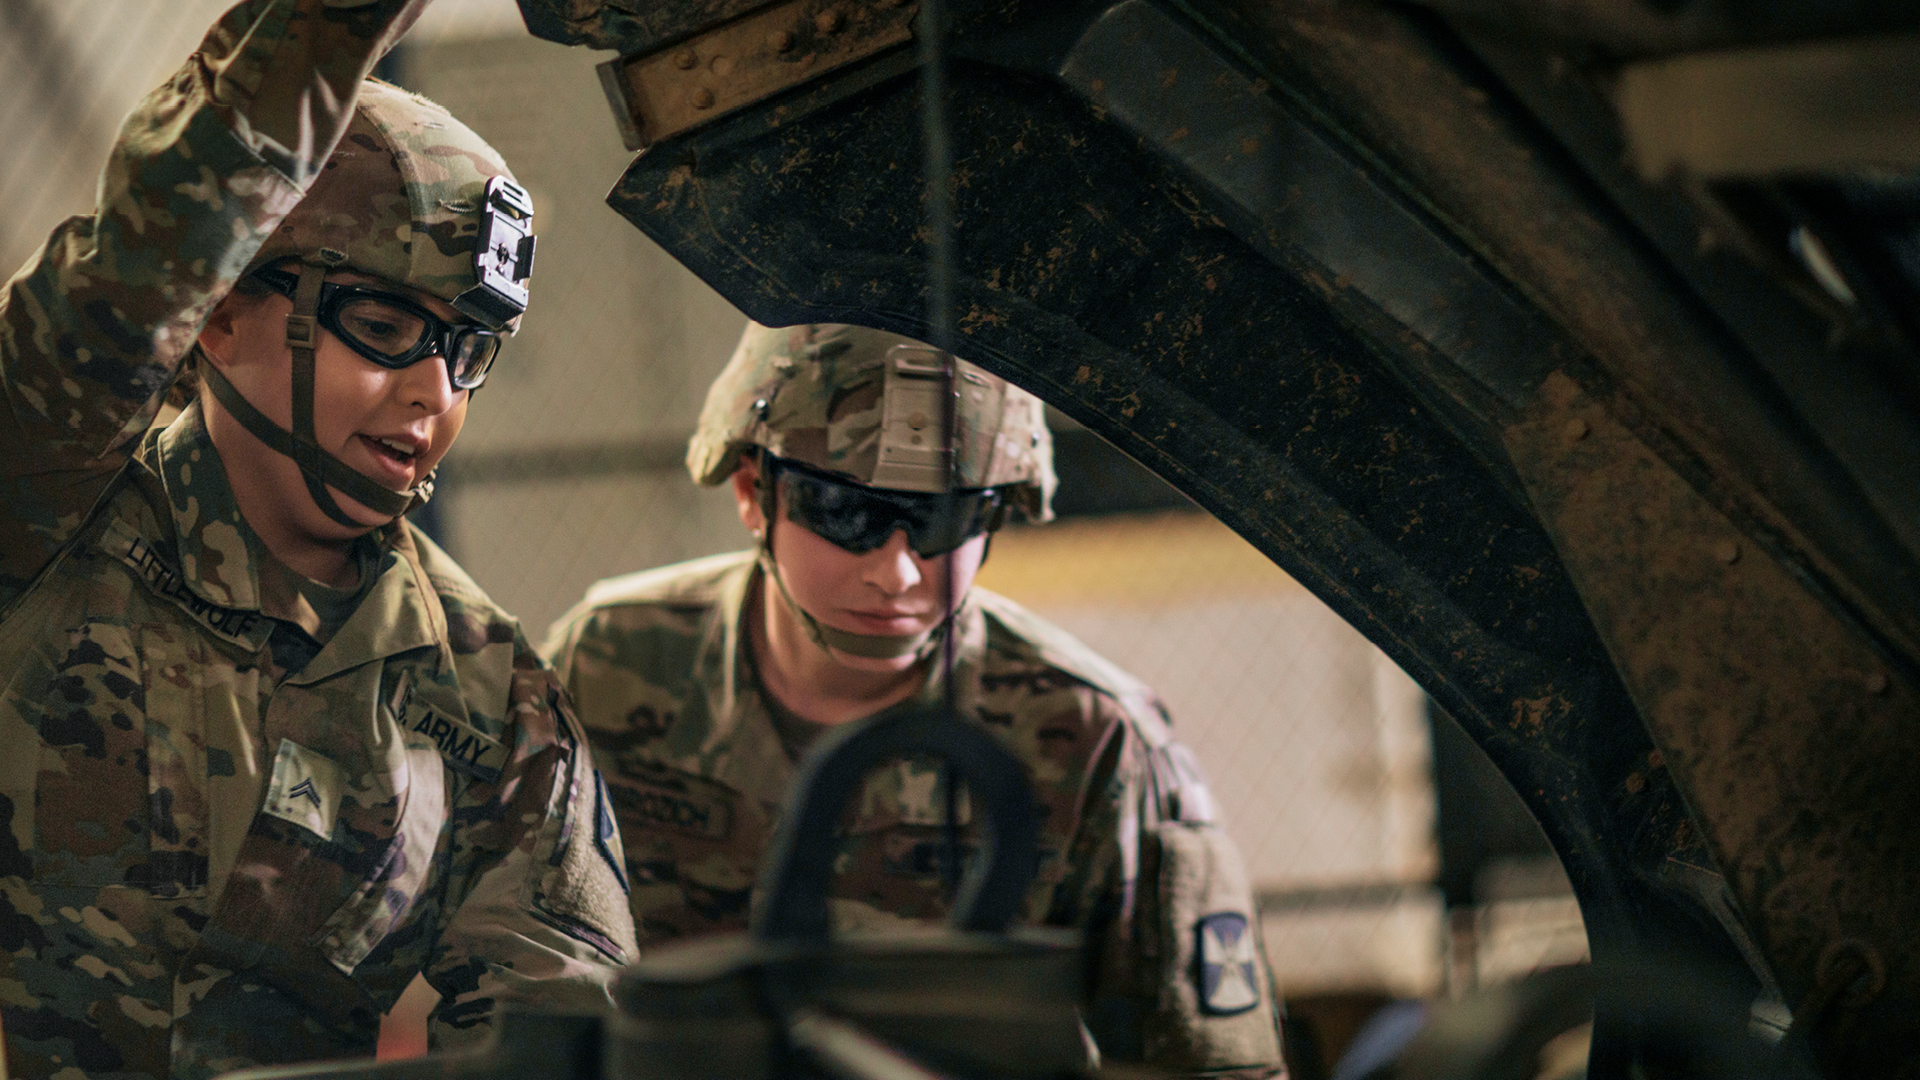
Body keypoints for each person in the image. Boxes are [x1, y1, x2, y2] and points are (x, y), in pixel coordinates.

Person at [0, 3, 636, 1077]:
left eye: (467, 350)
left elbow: (560, 1021)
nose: (433, 394)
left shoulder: (491, 701)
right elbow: (146, 250)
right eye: (383, 328)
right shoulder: (50, 506)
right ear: (219, 312)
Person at [544, 322, 1287, 1077]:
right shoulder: (607, 663)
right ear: (751, 492)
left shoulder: (1092, 735)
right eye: (847, 514)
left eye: (943, 521)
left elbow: (1210, 1064)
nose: (897, 575)